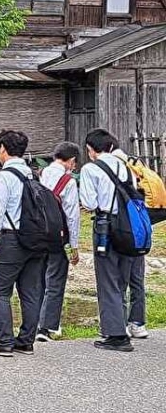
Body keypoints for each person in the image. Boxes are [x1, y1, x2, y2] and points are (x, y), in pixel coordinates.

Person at [0, 130, 47, 357]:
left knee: (0, 291)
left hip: (11, 240)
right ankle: (26, 341)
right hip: (36, 241)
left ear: (3, 149)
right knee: (30, 292)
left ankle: (4, 341)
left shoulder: (4, 176)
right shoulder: (33, 175)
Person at [80, 130, 139, 351]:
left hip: (106, 226)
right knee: (122, 279)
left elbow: (89, 202)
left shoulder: (90, 169)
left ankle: (116, 335)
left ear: (91, 149)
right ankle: (121, 327)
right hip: (129, 227)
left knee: (107, 281)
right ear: (111, 146)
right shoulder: (126, 167)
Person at [36, 142, 82, 342]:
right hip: (58, 237)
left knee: (37, 281)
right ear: (71, 160)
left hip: (36, 236)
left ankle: (33, 323)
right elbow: (72, 216)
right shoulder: (68, 182)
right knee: (54, 281)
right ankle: (47, 327)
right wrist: (74, 246)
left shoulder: (39, 176)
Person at [111, 143, 149, 340]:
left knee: (120, 280)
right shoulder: (137, 168)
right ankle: (138, 323)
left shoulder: (117, 171)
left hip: (126, 232)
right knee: (137, 280)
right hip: (141, 231)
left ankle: (121, 324)